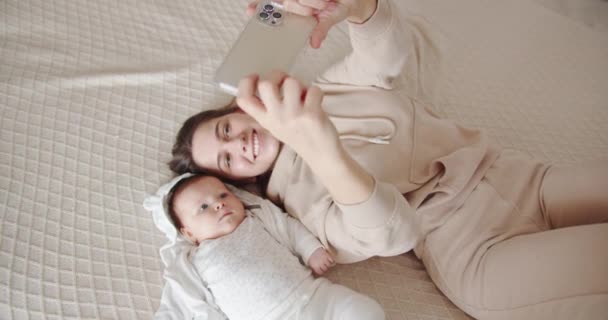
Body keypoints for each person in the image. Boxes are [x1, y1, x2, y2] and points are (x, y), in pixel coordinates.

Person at [169, 0, 608, 319]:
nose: (239, 145)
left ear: (241, 109)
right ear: (245, 183)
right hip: (479, 250)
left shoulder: (327, 91)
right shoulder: (301, 208)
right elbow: (387, 233)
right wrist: (318, 144)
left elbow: (385, 59)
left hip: (522, 179)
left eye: (226, 130)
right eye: (228, 161)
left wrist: (359, 9)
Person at [166, 174, 385, 320]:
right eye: (203, 207)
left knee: (364, 310)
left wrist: (311, 250)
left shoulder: (257, 218)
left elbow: (289, 228)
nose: (218, 203)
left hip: (314, 297)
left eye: (223, 195)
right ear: (188, 233)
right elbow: (184, 299)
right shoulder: (194, 261)